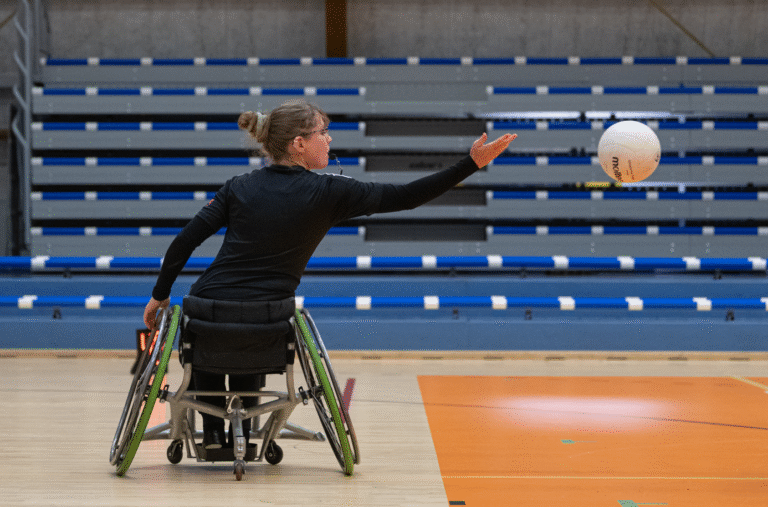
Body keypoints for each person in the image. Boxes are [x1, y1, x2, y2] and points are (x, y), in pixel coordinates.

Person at [143, 99, 517, 449]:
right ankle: (241, 429)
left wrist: (160, 295)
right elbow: (405, 196)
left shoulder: (238, 187)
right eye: (323, 131)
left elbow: (184, 242)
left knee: (212, 340)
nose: (329, 138)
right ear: (299, 144)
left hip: (207, 305)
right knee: (250, 341)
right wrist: (470, 164)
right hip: (269, 315)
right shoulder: (330, 191)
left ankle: (212, 436)